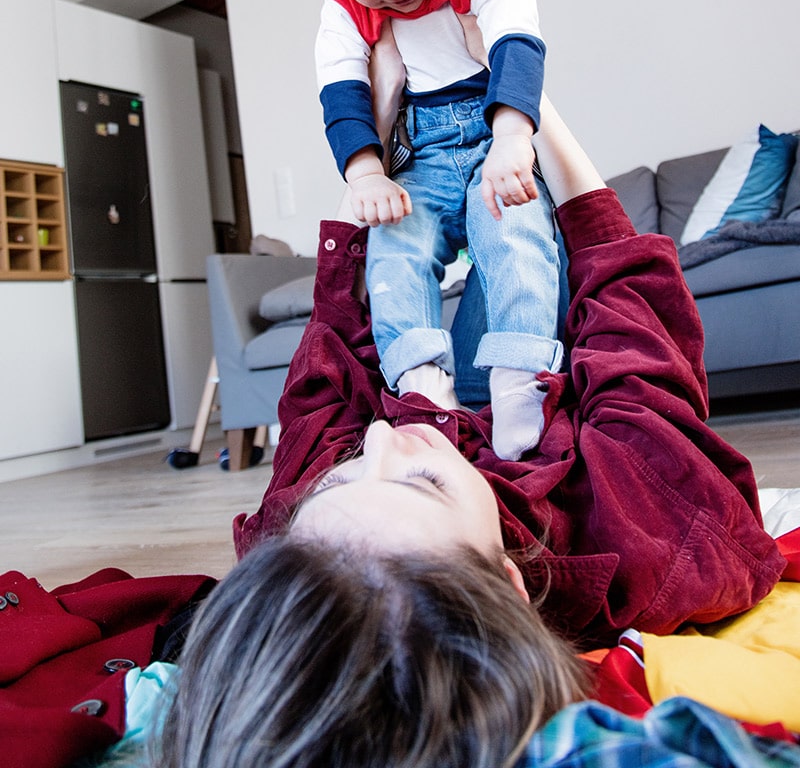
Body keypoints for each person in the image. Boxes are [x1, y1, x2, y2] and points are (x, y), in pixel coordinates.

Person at [155, 98, 786, 768]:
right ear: (510, 583)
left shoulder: (297, 535)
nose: (377, 441)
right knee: (520, 205)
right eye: (422, 482)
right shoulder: (651, 540)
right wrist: (532, 105)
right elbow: (634, 314)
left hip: (430, 371)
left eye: (342, 476)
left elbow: (333, 349)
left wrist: (372, 137)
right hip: (549, 368)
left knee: (408, 252)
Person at [270, 0, 564, 459]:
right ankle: (421, 380)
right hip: (421, 147)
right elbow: (343, 93)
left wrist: (514, 137)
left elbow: (516, 44)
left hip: (490, 133)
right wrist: (366, 171)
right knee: (394, 248)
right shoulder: (343, 10)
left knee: (515, 236)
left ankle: (520, 377)